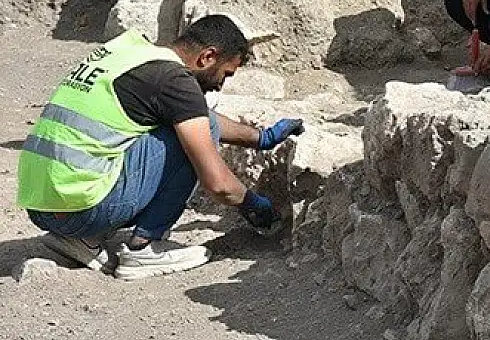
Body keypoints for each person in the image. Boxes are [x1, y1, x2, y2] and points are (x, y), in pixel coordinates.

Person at [16, 15, 302, 280]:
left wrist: (259, 138)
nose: (219, 85)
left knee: (190, 125)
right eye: (224, 74)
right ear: (208, 57)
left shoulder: (131, 53)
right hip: (82, 208)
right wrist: (251, 204)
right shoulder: (175, 80)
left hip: (42, 207)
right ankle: (144, 249)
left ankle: (82, 239)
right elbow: (218, 184)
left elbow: (191, 113)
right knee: (197, 135)